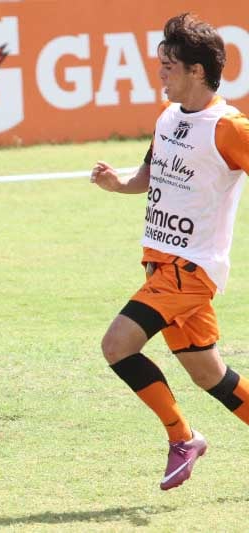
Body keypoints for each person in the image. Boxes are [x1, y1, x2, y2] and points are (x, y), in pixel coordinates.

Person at [91, 12, 249, 491]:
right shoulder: (167, 118)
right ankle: (187, 437)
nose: (159, 74)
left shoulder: (231, 128)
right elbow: (147, 177)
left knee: (117, 346)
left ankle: (182, 437)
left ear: (197, 71)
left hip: (191, 270)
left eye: (169, 66)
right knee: (210, 375)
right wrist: (116, 183)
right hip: (160, 264)